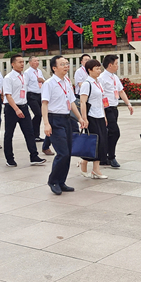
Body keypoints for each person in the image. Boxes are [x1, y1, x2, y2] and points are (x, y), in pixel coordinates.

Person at [43, 55, 87, 195]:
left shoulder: (66, 82)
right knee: (62, 153)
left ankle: (62, 181)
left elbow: (72, 102)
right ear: (54, 68)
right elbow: (44, 104)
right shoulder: (49, 83)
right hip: (54, 120)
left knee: (68, 153)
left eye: (67, 63)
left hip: (66, 119)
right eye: (62, 64)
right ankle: (53, 181)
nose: (66, 66)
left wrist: (80, 118)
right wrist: (46, 124)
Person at [2, 55, 46, 167]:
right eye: (19, 62)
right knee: (9, 134)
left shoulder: (24, 76)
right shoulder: (8, 78)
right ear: (13, 64)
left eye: (23, 62)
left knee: (29, 132)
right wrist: (16, 109)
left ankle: (34, 156)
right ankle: (9, 158)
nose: (22, 64)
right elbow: (8, 95)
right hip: (12, 108)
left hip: (24, 106)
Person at [100, 54, 134, 168]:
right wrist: (103, 112)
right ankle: (111, 157)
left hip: (114, 108)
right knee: (115, 132)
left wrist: (128, 104)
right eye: (116, 64)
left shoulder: (114, 77)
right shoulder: (102, 78)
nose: (117, 66)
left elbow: (121, 91)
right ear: (110, 65)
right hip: (107, 109)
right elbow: (100, 96)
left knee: (110, 133)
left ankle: (104, 157)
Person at [79, 59, 108, 179]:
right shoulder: (87, 84)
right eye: (96, 68)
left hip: (100, 115)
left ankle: (94, 168)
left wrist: (105, 116)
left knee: (102, 142)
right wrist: (84, 118)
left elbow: (102, 101)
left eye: (99, 68)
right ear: (89, 70)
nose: (99, 70)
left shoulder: (98, 82)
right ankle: (89, 166)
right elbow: (82, 102)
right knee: (94, 142)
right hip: (91, 116)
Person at [24, 56, 46, 143]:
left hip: (40, 94)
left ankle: (36, 135)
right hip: (31, 95)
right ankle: (31, 133)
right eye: (35, 61)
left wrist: (42, 80)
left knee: (41, 115)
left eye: (37, 61)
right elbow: (25, 85)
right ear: (30, 62)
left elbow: (43, 82)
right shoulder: (27, 73)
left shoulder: (39, 71)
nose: (37, 62)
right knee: (38, 114)